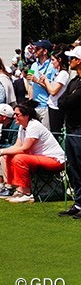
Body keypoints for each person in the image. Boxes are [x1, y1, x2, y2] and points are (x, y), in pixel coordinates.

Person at [0, 101, 67, 203]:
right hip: (40, 158)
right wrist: (2, 151)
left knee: (19, 158)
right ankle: (17, 189)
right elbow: (17, 146)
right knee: (9, 156)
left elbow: (25, 149)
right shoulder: (22, 126)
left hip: (55, 160)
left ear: (26, 116)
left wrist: (2, 151)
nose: (14, 117)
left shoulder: (34, 126)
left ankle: (27, 193)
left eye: (17, 115)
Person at [55, 47, 81, 217]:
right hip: (71, 129)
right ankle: (78, 203)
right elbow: (62, 101)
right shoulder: (74, 80)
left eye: (72, 58)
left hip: (79, 130)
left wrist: (67, 101)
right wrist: (67, 101)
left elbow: (70, 101)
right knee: (74, 169)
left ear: (79, 61)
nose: (70, 61)